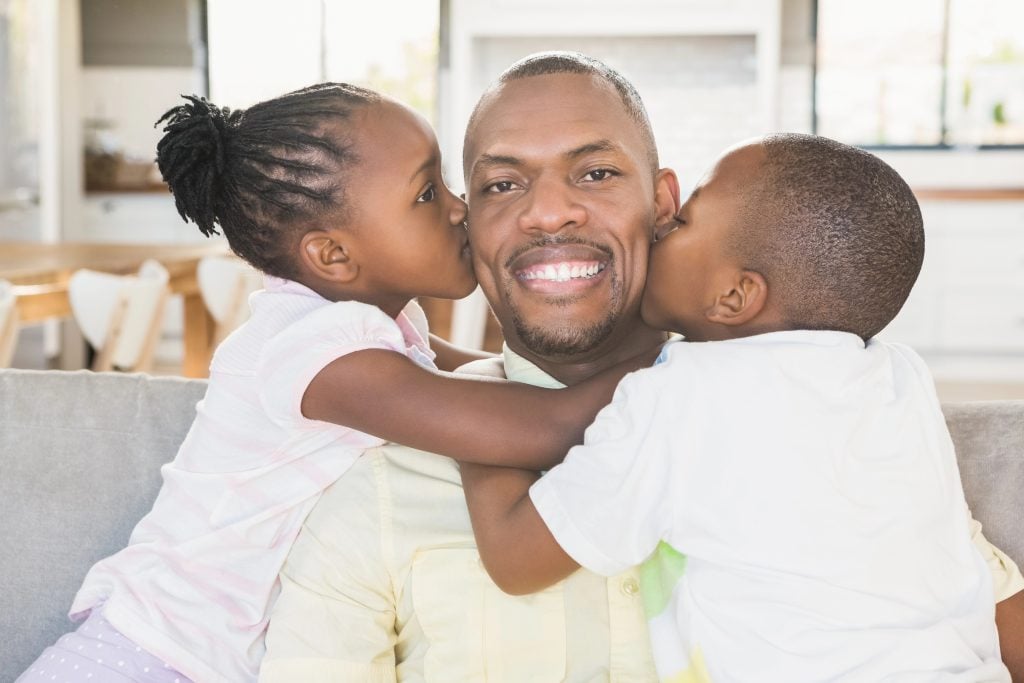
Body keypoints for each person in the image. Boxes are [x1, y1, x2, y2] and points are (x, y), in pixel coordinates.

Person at [260, 53, 1024, 681]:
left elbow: (983, 620)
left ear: (665, 205)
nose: (549, 212)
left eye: (595, 174)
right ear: (469, 225)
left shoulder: (835, 427)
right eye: (501, 183)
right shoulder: (369, 494)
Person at [15, 83, 647, 683]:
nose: (461, 208)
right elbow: (532, 426)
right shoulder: (317, 351)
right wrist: (670, 360)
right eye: (427, 194)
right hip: (154, 655)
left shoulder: (375, 323)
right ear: (333, 256)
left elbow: (492, 378)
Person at [459, 133, 1010, 681]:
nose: (658, 228)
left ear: (734, 298)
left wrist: (475, 404)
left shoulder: (680, 400)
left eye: (683, 223)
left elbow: (516, 558)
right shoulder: (898, 376)